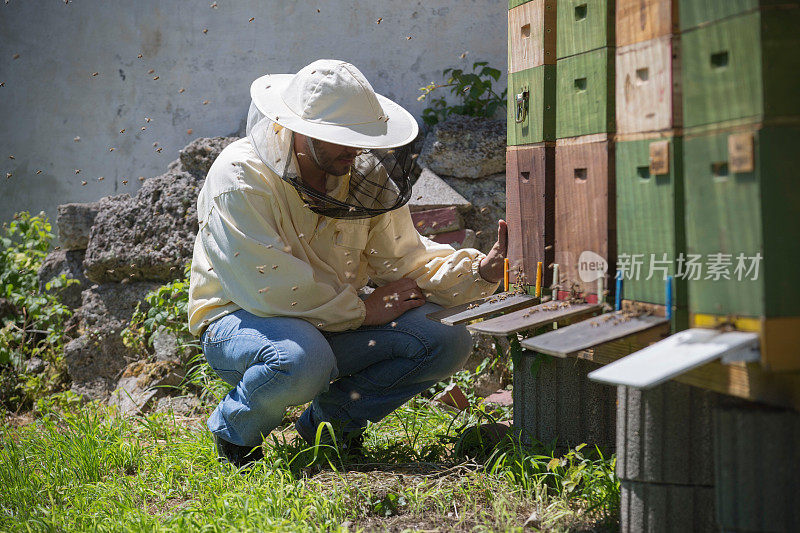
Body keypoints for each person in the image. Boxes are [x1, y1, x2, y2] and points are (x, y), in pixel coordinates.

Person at [188, 59, 508, 468]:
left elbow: (406, 258)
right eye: (342, 138)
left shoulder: (361, 177)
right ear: (301, 131)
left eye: (361, 137)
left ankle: (327, 429)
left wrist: (481, 271)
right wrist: (365, 311)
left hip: (332, 322)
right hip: (241, 320)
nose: (355, 149)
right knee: (300, 361)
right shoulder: (239, 177)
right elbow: (267, 285)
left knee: (446, 340)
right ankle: (235, 432)